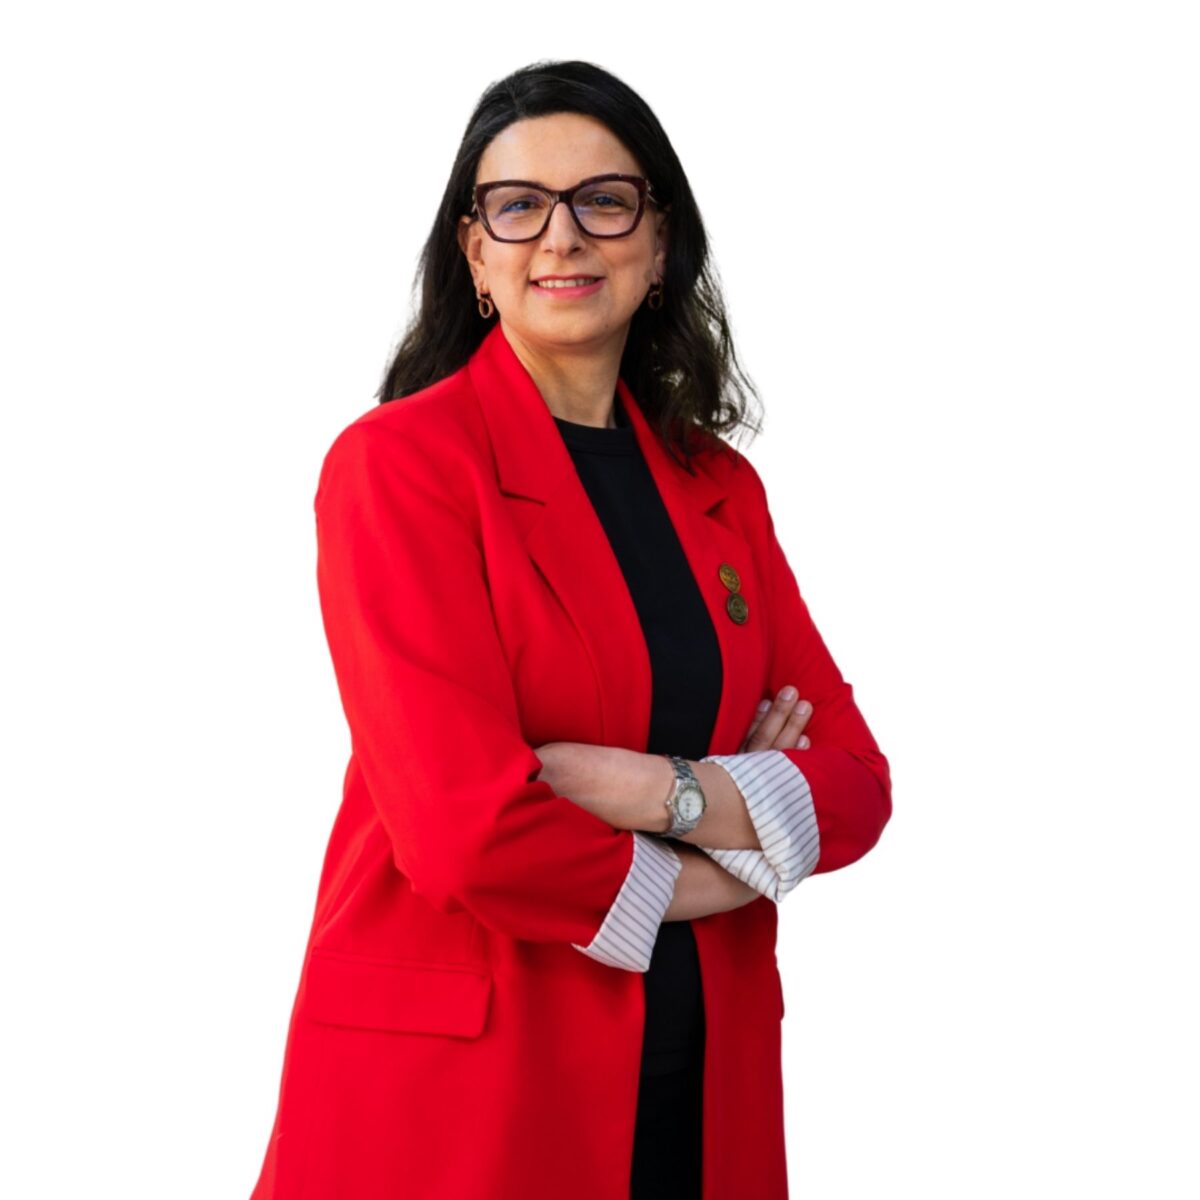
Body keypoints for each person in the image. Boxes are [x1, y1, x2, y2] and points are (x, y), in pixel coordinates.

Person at [248, 59, 891, 1200]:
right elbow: (464, 829)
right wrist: (728, 863)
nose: (564, 236)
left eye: (605, 200)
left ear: (658, 244)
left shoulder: (719, 487)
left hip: (702, 1063)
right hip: (469, 1091)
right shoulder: (400, 468)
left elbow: (854, 780)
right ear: (476, 256)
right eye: (519, 206)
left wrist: (656, 794)